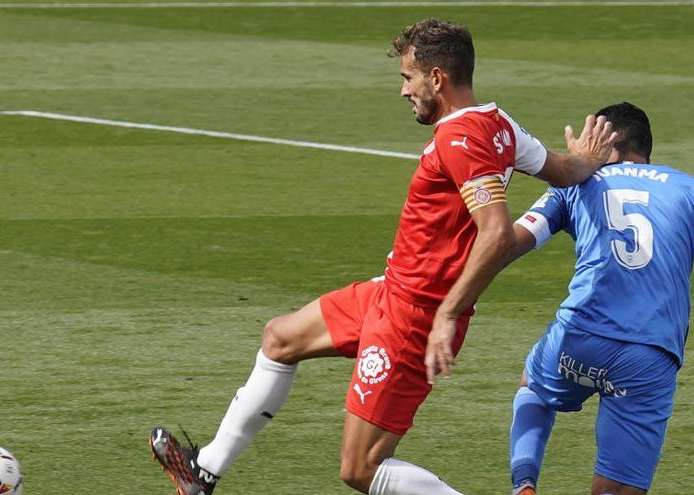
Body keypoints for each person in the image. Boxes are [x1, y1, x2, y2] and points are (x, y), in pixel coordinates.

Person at [148, 18, 616, 495]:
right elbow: (561, 169)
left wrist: (447, 314)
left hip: (415, 316)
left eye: (408, 77)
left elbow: (494, 234)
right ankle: (203, 473)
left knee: (361, 467)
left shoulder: (462, 140)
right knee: (279, 338)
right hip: (391, 292)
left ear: (437, 78)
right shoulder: (499, 125)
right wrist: (589, 161)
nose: (403, 91)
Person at [484, 102, 694, 495]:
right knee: (616, 489)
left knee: (534, 385)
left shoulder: (574, 186)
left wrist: (451, 295)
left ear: (609, 143)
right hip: (649, 357)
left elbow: (507, 245)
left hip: (580, 339)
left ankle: (524, 484)